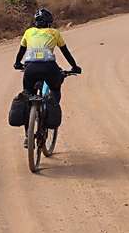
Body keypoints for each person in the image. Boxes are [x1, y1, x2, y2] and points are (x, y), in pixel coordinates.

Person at [13, 8, 81, 146]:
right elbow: (66, 53)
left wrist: (17, 63)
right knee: (55, 89)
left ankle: (28, 136)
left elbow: (21, 52)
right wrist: (75, 67)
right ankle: (51, 107)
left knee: (28, 96)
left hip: (30, 68)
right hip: (49, 68)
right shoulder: (54, 33)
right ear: (49, 23)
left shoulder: (28, 32)